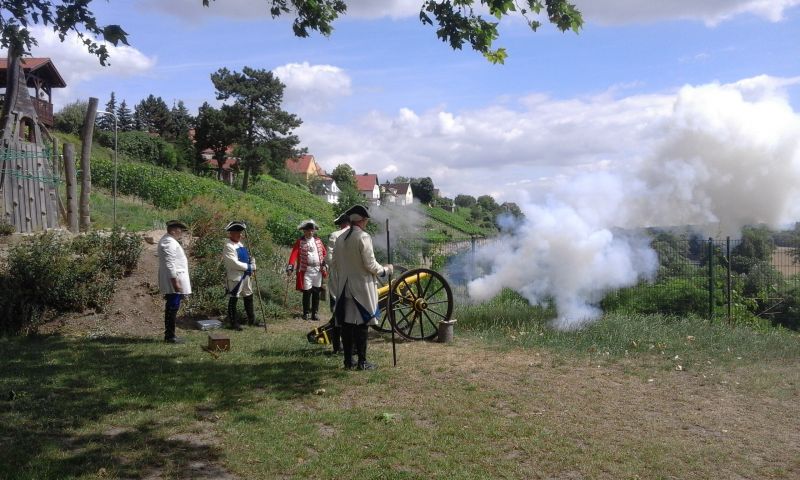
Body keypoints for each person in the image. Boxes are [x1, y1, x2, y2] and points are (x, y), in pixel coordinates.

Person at [331, 205, 392, 370]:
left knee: (347, 324)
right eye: (365, 220)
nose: (366, 223)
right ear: (362, 220)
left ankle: (348, 361)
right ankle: (362, 362)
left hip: (344, 287)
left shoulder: (339, 239)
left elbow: (334, 263)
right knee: (362, 324)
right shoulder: (363, 237)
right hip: (361, 287)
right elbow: (370, 264)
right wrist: (385, 270)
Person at [158, 220, 192, 344]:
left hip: (175, 279)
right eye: (180, 230)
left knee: (173, 307)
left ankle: (170, 335)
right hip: (174, 280)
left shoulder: (170, 241)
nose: (181, 232)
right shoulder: (168, 242)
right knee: (172, 307)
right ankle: (170, 336)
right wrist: (175, 282)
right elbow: (170, 263)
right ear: (173, 230)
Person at [223, 221, 260, 330]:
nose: (240, 235)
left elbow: (245, 258)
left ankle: (251, 320)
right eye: (237, 233)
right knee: (234, 298)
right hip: (236, 277)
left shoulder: (240, 244)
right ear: (231, 233)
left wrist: (252, 261)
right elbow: (233, 263)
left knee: (249, 296)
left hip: (246, 276)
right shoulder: (228, 246)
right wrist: (249, 267)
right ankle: (233, 323)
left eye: (240, 232)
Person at [287, 219, 327, 320]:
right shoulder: (300, 242)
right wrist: (290, 267)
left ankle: (315, 313)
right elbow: (293, 255)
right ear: (304, 231)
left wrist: (325, 265)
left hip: (317, 270)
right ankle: (306, 313)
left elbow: (324, 254)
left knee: (316, 291)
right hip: (306, 270)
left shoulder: (318, 241)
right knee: (307, 292)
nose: (310, 232)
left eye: (312, 230)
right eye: (308, 230)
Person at [325, 212, 350, 354]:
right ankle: (350, 346)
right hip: (352, 276)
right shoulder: (358, 235)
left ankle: (337, 346)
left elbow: (329, 259)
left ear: (341, 223)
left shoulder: (334, 235)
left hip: (338, 276)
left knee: (337, 311)